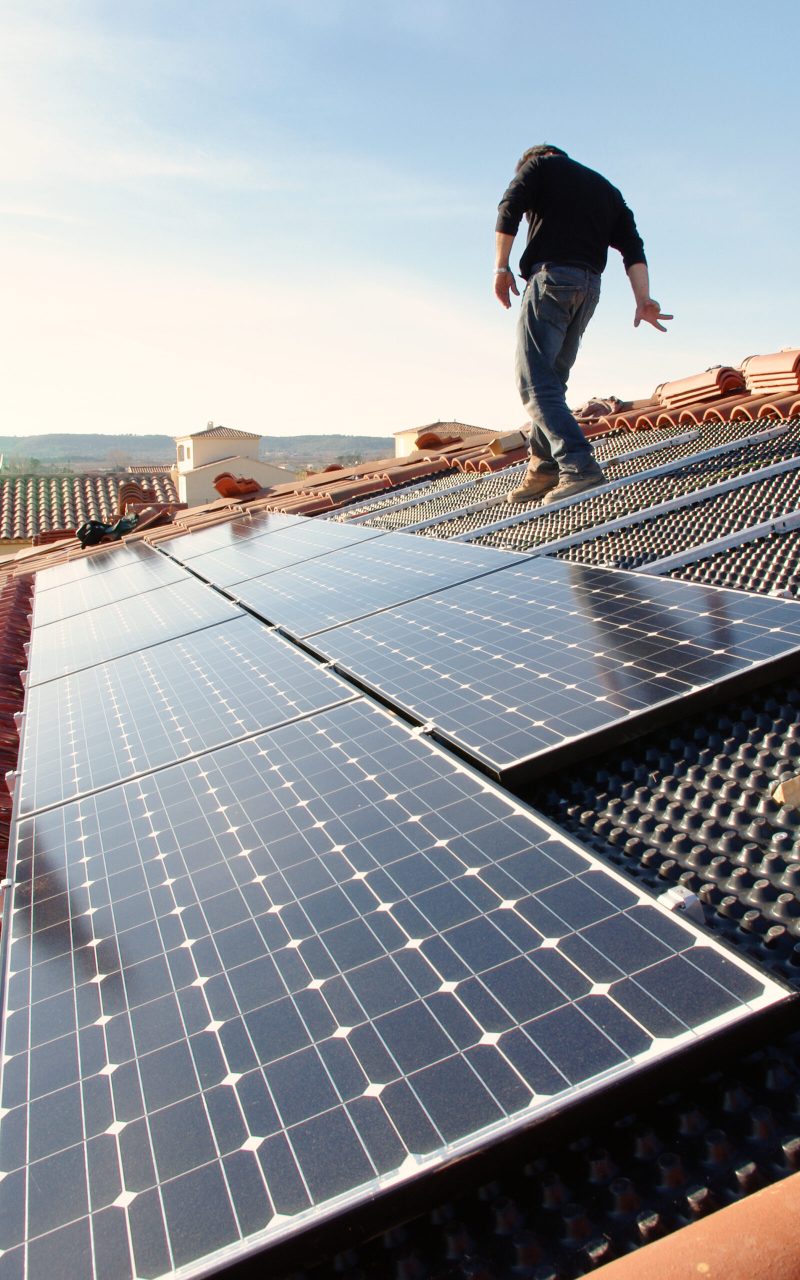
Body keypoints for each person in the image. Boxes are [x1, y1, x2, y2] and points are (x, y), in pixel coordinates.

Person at [494, 144, 672, 504]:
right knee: (552, 381)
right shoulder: (607, 189)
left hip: (552, 281)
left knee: (533, 382)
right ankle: (544, 468)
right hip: (589, 288)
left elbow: (508, 206)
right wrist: (643, 299)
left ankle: (578, 465)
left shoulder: (538, 167)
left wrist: (501, 267)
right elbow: (632, 247)